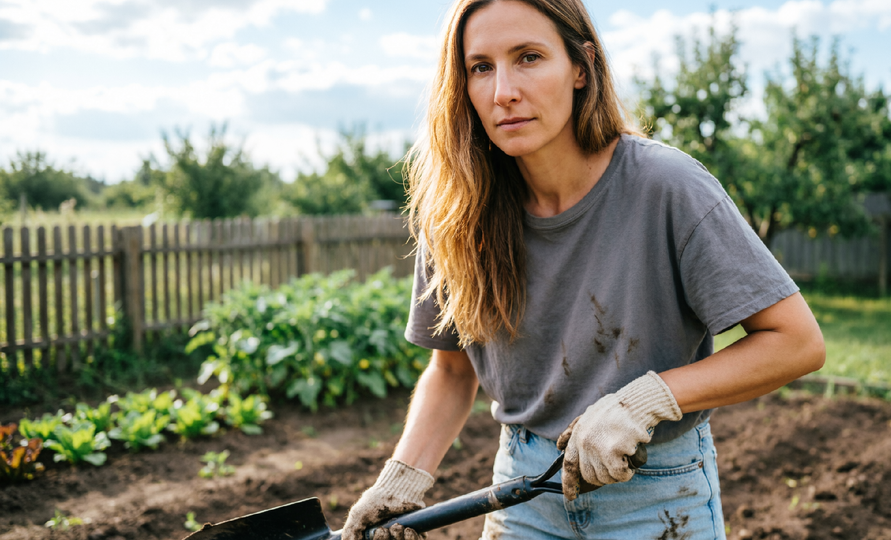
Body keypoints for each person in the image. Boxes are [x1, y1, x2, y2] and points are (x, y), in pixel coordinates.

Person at [341, 0, 826, 538]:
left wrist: (644, 402)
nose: (503, 91)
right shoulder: (458, 212)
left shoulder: (666, 188)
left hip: (655, 492)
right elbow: (454, 370)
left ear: (580, 67)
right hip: (521, 492)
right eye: (481, 67)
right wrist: (402, 479)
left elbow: (796, 342)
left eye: (528, 57)